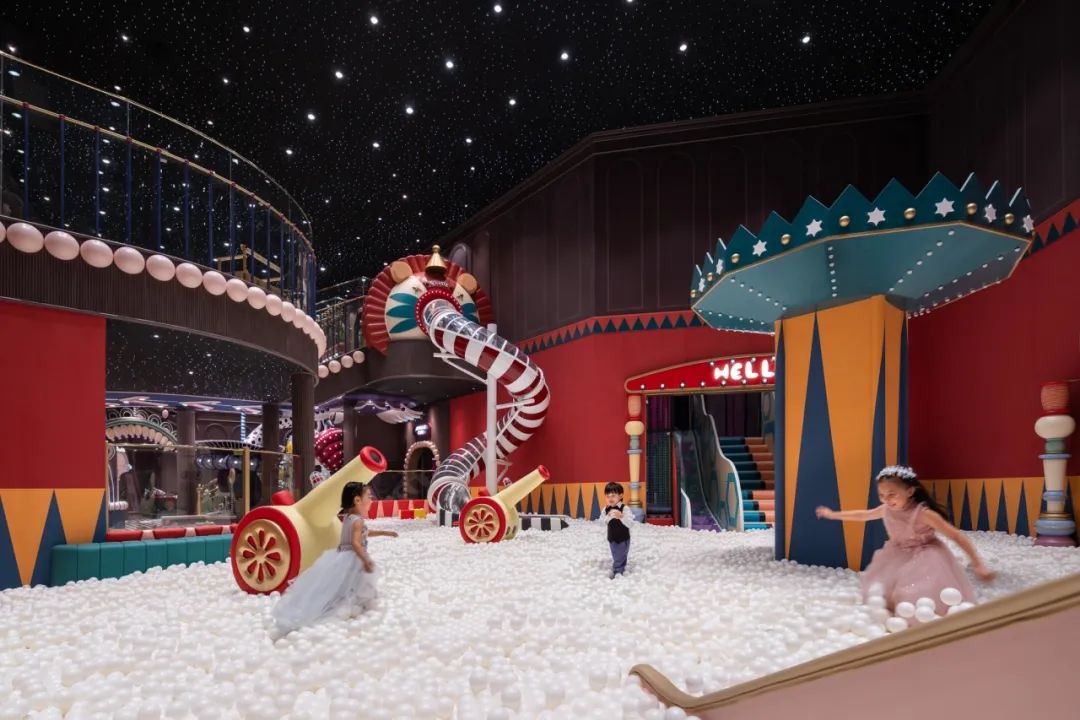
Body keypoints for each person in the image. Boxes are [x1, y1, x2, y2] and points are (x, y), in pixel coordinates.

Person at [816, 465, 994, 615]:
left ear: (910, 491)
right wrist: (833, 514)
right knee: (886, 592)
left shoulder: (923, 514)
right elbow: (863, 515)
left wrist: (977, 562)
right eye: (882, 495)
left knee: (918, 593)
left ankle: (925, 616)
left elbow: (956, 535)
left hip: (926, 556)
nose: (886, 500)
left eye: (892, 494)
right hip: (897, 554)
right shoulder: (886, 509)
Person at [271, 482, 398, 637]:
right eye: (369, 497)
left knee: (339, 583)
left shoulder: (349, 518)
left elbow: (363, 533)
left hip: (341, 555)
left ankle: (346, 602)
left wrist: (385, 532)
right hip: (353, 557)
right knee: (356, 582)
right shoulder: (358, 521)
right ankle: (355, 605)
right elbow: (355, 542)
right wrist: (365, 559)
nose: (371, 500)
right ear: (357, 500)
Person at [599, 481, 634, 579]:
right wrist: (607, 517)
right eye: (608, 496)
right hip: (613, 538)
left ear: (621, 495)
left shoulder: (625, 508)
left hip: (624, 537)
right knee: (617, 555)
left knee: (622, 555)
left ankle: (620, 570)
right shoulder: (605, 509)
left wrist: (622, 516)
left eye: (613, 496)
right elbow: (600, 523)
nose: (610, 498)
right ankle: (619, 571)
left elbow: (630, 523)